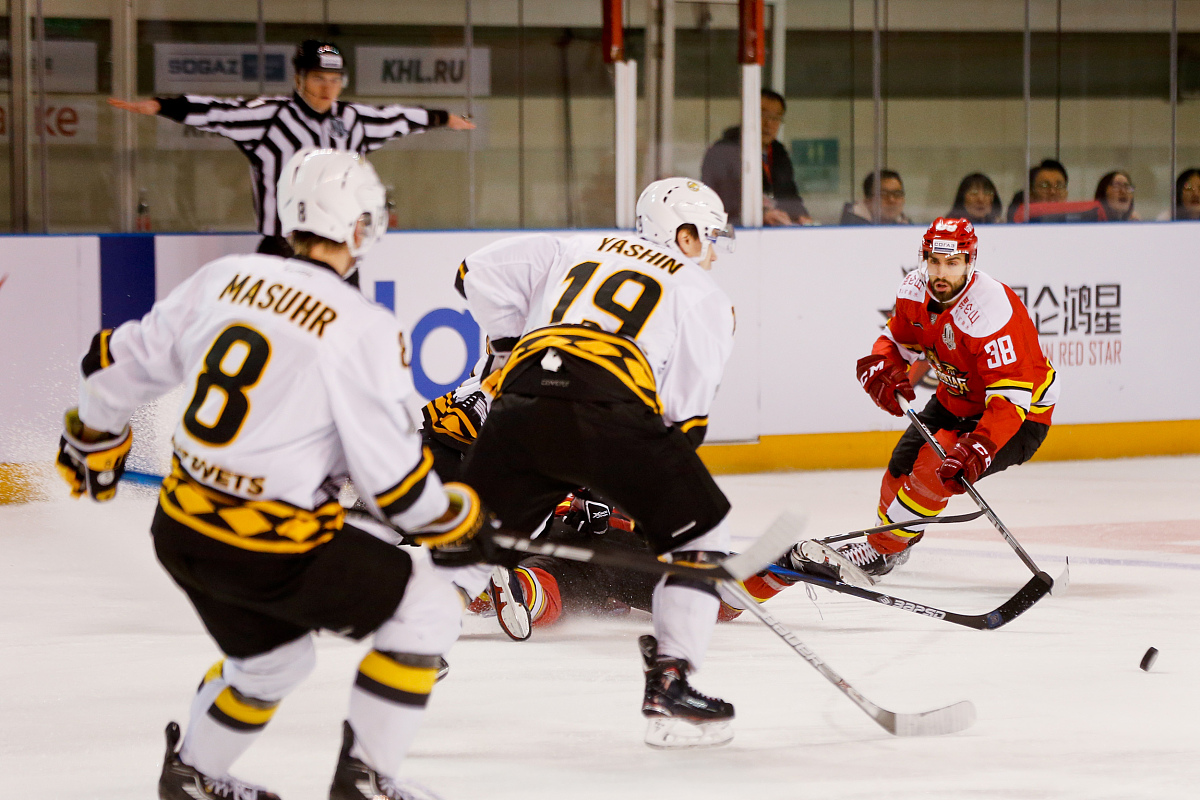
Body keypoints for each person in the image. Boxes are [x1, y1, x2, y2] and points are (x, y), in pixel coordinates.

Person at [55, 148, 486, 800]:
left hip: (180, 531)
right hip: (270, 548)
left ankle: (194, 775)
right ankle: (368, 780)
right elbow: (395, 488)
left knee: (273, 664)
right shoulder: (361, 325)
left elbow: (114, 363)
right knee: (424, 606)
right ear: (360, 227)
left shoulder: (225, 277)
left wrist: (94, 436)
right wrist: (456, 521)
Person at [453, 177, 739, 748]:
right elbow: (684, 425)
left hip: (521, 405)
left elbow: (472, 274)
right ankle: (671, 681)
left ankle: (410, 649)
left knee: (467, 544)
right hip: (611, 411)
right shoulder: (701, 292)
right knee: (704, 533)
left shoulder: (575, 246)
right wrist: (658, 506)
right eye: (708, 239)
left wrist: (508, 349)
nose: (711, 254)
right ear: (683, 235)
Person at [791, 218, 1058, 579]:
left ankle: (880, 548)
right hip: (954, 398)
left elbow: (1010, 399)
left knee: (936, 466)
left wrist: (980, 446)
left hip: (1019, 416)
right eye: (934, 261)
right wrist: (883, 366)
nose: (941, 273)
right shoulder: (914, 292)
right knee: (900, 467)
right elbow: (896, 342)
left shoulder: (993, 310)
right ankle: (890, 547)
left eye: (952, 263)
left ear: (970, 262)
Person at [107, 40, 474, 256]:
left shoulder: (353, 120)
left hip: (338, 249)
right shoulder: (270, 117)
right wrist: (161, 105)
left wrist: (444, 118)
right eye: (318, 78)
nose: (327, 88)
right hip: (281, 249)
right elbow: (218, 112)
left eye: (334, 80)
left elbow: (398, 118)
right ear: (299, 79)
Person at [700, 89, 813, 226]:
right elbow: (724, 202)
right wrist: (762, 215)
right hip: (735, 231)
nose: (769, 124)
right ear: (747, 115)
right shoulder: (722, 152)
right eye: (762, 115)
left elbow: (789, 196)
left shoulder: (779, 153)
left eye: (776, 118)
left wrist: (801, 216)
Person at [841, 169, 911, 225]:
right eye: (883, 194)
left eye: (897, 194)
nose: (891, 200)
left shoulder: (906, 224)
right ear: (867, 201)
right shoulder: (851, 227)